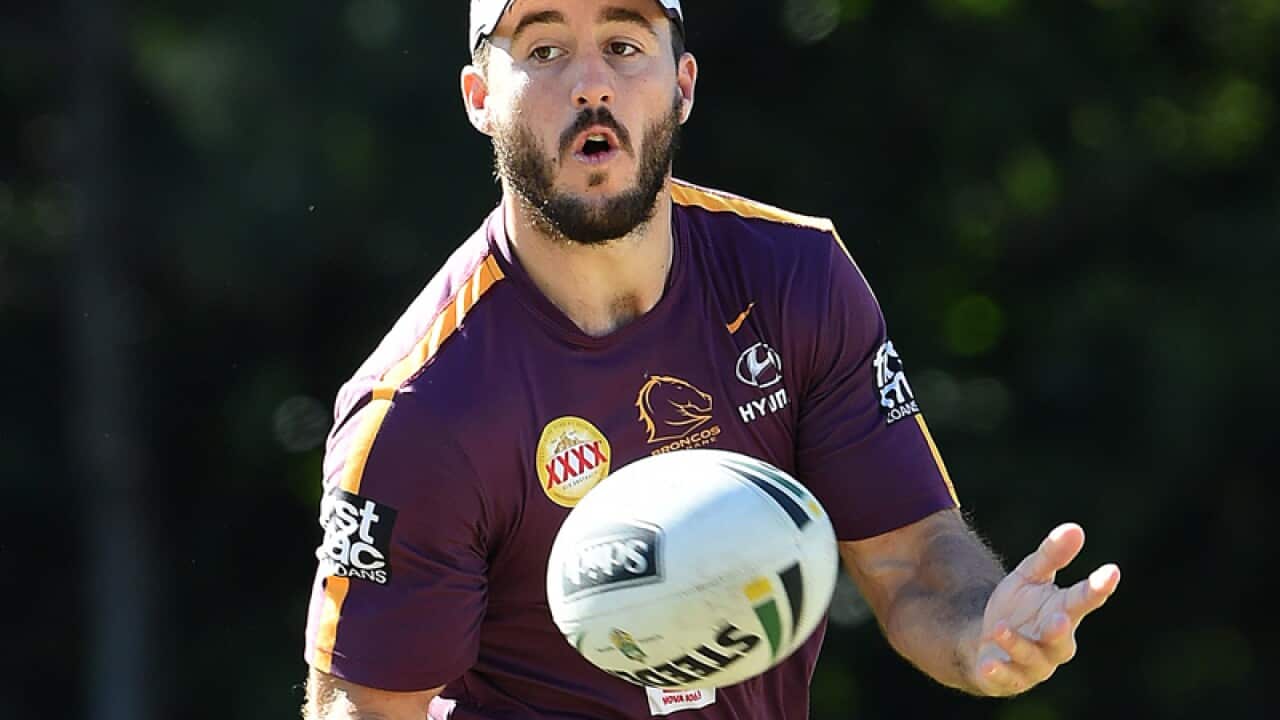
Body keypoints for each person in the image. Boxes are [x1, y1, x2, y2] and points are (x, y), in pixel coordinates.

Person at [302, 1, 1121, 718]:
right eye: (544, 49)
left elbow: (910, 562)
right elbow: (368, 708)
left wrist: (986, 629)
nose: (592, 84)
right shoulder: (421, 404)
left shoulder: (795, 279)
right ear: (482, 98)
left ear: (684, 84)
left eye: (624, 45)